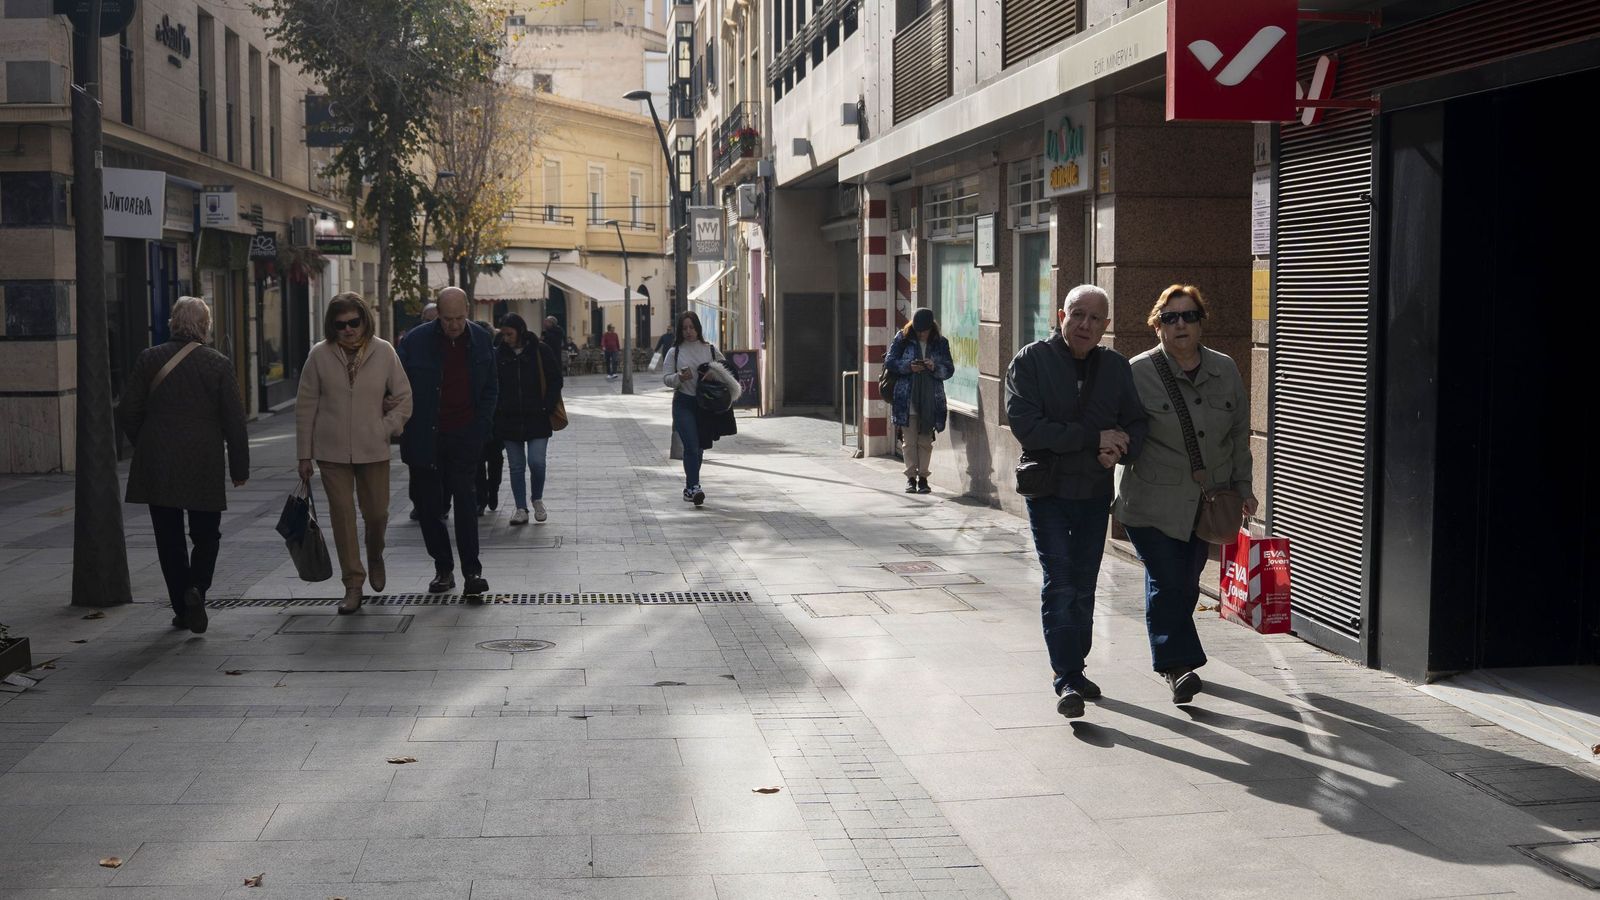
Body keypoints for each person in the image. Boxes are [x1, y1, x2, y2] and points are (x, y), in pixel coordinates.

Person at [1005, 284, 1148, 718]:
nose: (1085, 324)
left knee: (1084, 582)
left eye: (1095, 318)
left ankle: (1075, 668)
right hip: (1048, 491)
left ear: (1106, 325)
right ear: (1061, 315)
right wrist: (1094, 439)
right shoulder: (1030, 361)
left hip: (1092, 493)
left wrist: (1119, 447)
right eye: (1078, 314)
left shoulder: (1116, 367)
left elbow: (1137, 423)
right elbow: (1028, 427)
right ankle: (1065, 676)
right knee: (1061, 579)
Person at [1114, 284, 1256, 706]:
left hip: (1206, 504)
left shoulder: (1225, 368)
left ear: (1201, 322)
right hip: (1150, 503)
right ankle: (1179, 665)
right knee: (1168, 578)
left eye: (1189, 316)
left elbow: (1237, 436)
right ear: (1156, 324)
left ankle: (1175, 656)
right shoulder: (1137, 372)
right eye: (1171, 317)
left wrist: (1244, 489)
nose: (1181, 325)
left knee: (1186, 582)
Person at [116, 296, 249, 634]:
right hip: (203, 460)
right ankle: (197, 590)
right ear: (205, 326)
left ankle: (181, 607)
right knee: (207, 535)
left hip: (158, 461)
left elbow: (128, 410)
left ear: (173, 322)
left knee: (169, 538)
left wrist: (146, 440)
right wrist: (239, 467)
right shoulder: (218, 364)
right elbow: (235, 420)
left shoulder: (149, 358)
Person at [295, 293, 413, 614]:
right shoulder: (319, 355)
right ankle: (353, 583)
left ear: (364, 320)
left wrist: (385, 427)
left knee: (376, 514)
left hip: (373, 449)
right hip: (331, 451)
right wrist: (304, 456)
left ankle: (374, 555)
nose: (347, 330)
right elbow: (305, 408)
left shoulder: (384, 351)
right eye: (340, 325)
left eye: (353, 323)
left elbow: (404, 398)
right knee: (343, 516)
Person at [398, 287, 498, 596]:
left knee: (466, 503)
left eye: (460, 318)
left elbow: (491, 388)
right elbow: (397, 386)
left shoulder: (481, 340)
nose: (454, 325)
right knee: (430, 508)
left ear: (468, 311)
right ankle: (443, 568)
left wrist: (479, 429)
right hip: (425, 437)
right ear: (436, 314)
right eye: (447, 319)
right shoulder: (415, 342)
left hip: (465, 435)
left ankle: (472, 572)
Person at [493, 314, 564, 525]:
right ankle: (520, 508)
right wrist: (498, 409)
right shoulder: (499, 354)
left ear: (520, 331)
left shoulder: (540, 351)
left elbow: (555, 379)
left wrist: (547, 406)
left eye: (510, 334)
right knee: (516, 466)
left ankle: (537, 499)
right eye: (503, 334)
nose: (506, 338)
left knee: (536, 462)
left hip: (537, 418)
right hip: (509, 419)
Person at [662, 311, 738, 506]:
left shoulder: (710, 349)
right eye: (684, 328)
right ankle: (695, 487)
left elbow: (727, 370)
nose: (688, 332)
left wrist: (715, 373)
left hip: (704, 405)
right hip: (683, 403)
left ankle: (690, 488)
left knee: (700, 448)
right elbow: (666, 378)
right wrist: (679, 377)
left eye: (691, 327)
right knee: (692, 445)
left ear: (698, 328)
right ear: (680, 330)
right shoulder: (675, 351)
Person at [884, 307, 954, 494]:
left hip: (931, 399)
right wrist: (908, 367)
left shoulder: (940, 343)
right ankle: (910, 478)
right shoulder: (903, 338)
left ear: (932, 328)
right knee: (909, 441)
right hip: (906, 398)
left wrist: (934, 366)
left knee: (925, 440)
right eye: (918, 329)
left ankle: (923, 478)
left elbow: (949, 369)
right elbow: (889, 362)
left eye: (924, 330)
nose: (921, 333)